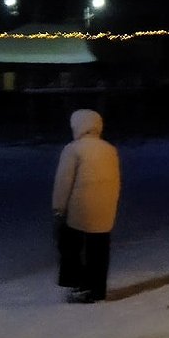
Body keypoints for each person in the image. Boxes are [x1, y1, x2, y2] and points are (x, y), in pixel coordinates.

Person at [52, 108, 121, 304]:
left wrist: (59, 208)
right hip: (105, 208)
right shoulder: (109, 149)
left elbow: (63, 182)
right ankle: (97, 290)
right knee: (99, 250)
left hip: (80, 208)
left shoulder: (73, 149)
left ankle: (78, 283)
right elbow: (116, 180)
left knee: (70, 244)